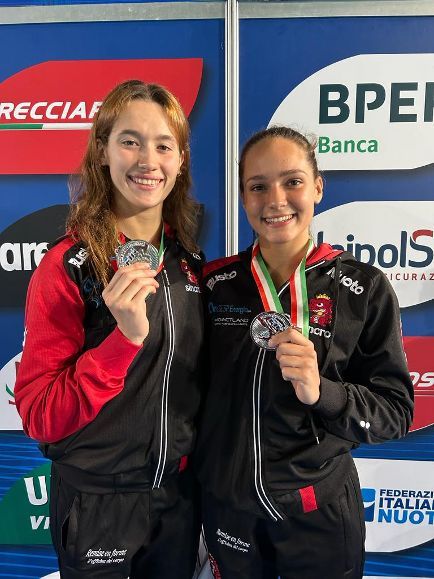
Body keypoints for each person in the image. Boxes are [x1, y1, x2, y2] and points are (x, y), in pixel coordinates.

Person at [196, 126, 413, 579]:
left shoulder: (364, 289)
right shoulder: (214, 285)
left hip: (319, 512)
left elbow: (394, 413)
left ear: (317, 187)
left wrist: (324, 393)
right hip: (230, 511)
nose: (276, 200)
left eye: (292, 181)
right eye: (258, 186)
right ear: (243, 197)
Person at [15, 80, 205, 578]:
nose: (148, 160)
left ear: (181, 160)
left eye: (163, 145)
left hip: (177, 500)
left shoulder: (188, 264)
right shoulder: (67, 268)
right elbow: (40, 415)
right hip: (98, 502)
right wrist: (124, 341)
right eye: (130, 142)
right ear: (102, 151)